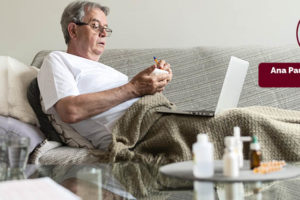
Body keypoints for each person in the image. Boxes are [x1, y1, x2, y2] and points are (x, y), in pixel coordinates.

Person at [37, 1, 172, 150]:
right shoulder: (57, 60)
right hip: (135, 131)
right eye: (95, 26)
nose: (103, 33)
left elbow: (132, 94)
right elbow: (70, 111)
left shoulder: (109, 71)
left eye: (105, 29)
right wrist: (135, 87)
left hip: (160, 114)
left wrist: (155, 83)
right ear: (73, 30)